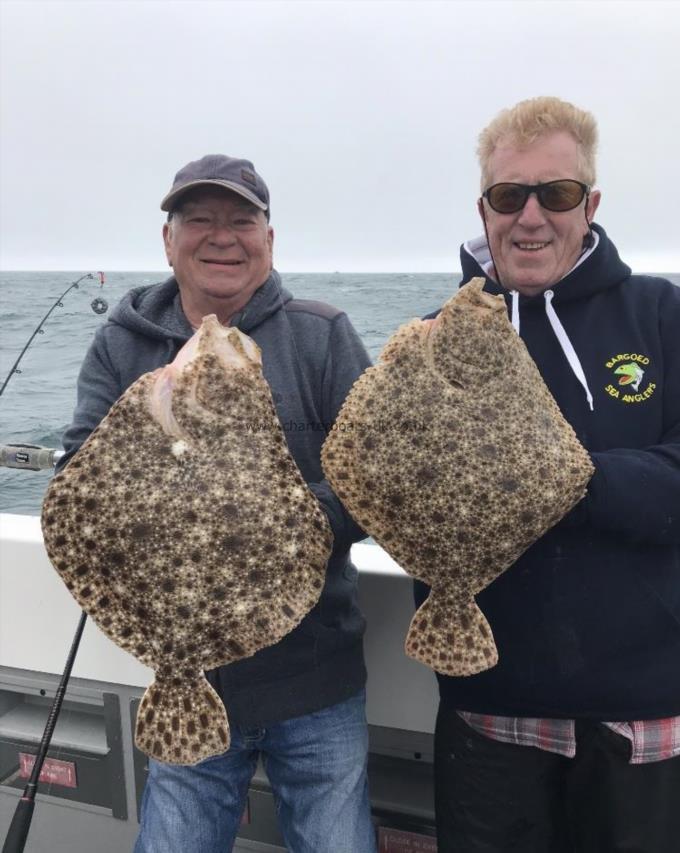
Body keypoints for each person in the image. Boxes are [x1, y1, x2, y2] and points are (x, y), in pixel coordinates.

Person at [58, 154, 378, 853]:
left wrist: (283, 525)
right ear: (168, 240)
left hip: (315, 676)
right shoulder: (122, 345)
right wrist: (149, 411)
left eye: (242, 219)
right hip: (185, 676)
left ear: (270, 238)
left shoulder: (322, 335)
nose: (221, 235)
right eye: (199, 218)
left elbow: (374, 483)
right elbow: (77, 488)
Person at [416, 97, 680, 852]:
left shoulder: (662, 315)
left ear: (590, 203)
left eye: (555, 194)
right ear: (485, 207)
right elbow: (391, 485)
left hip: (643, 709)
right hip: (488, 706)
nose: (530, 216)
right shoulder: (436, 337)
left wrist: (572, 477)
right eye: (509, 196)